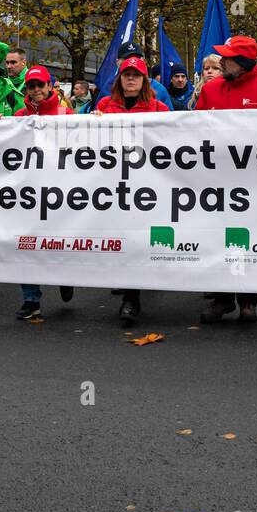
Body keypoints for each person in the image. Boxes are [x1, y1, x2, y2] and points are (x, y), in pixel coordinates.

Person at [195, 35, 257, 323]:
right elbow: (194, 131)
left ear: (245, 62)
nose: (222, 62)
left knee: (250, 240)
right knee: (217, 238)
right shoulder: (211, 90)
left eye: (228, 58)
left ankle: (249, 299)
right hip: (217, 181)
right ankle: (221, 299)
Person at [91, 56, 168, 322]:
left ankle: (131, 299)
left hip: (145, 186)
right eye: (127, 75)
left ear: (145, 80)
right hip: (111, 185)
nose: (131, 79)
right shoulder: (104, 106)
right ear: (120, 79)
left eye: (136, 75)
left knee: (135, 239)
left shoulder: (158, 109)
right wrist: (92, 124)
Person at [6, 65, 76, 318]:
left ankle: (64, 276)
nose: (35, 90)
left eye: (40, 85)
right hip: (28, 192)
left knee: (59, 240)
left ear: (50, 86)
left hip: (60, 190)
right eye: (31, 86)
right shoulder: (20, 115)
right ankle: (31, 298)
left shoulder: (66, 113)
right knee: (24, 243)